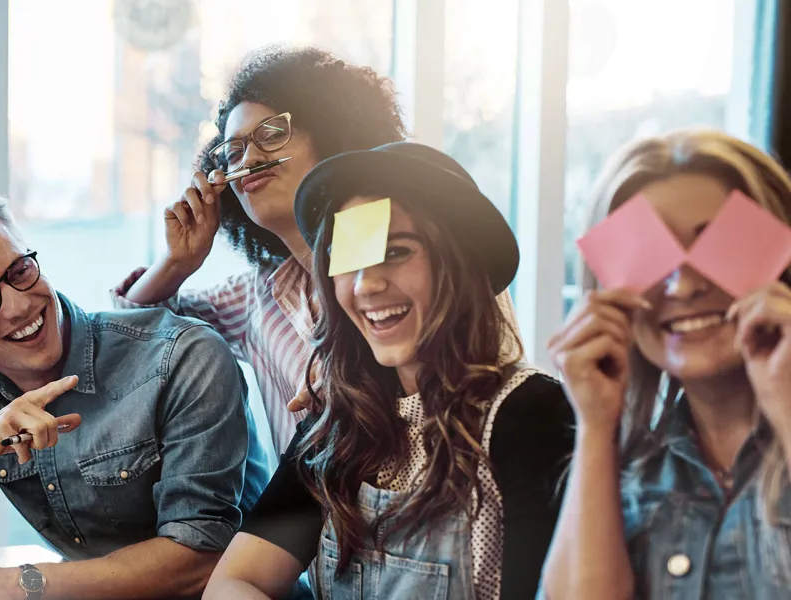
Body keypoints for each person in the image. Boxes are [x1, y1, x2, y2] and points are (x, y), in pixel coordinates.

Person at [203, 142, 575, 600]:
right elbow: (234, 581)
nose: (367, 285)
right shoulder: (336, 425)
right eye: (348, 262)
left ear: (457, 263)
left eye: (396, 252)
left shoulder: (533, 415)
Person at [0, 189, 269, 600]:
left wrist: (24, 583)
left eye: (18, 272)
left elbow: (202, 560)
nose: (18, 306)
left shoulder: (183, 355)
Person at [110, 46, 413, 453]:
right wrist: (176, 263)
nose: (249, 158)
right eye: (233, 153)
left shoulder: (409, 252)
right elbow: (132, 340)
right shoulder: (255, 297)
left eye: (272, 134)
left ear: (331, 134)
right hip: (320, 516)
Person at [541, 130, 791, 600]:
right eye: (653, 259)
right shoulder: (630, 475)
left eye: (715, 246)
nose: (682, 287)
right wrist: (595, 424)